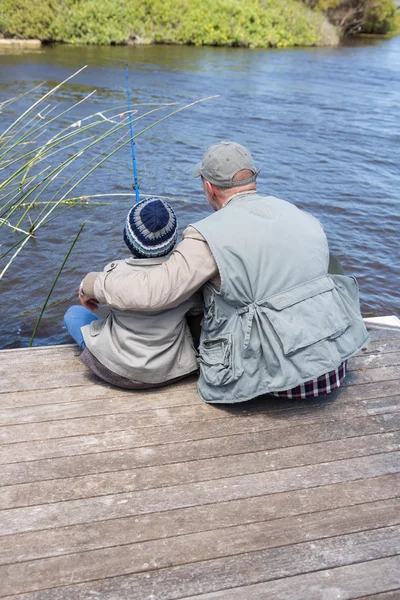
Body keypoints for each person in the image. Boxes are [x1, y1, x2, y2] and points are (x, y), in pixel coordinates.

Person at [80, 142, 369, 403]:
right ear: (253, 178)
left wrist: (93, 284)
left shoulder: (207, 235)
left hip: (274, 381)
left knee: (194, 296)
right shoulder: (301, 216)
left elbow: (155, 292)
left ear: (209, 187)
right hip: (331, 366)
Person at [64, 197, 202, 389]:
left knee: (73, 313)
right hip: (169, 372)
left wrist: (86, 288)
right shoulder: (183, 280)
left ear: (127, 237)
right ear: (173, 241)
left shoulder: (113, 272)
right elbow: (197, 308)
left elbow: (94, 290)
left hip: (113, 370)